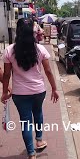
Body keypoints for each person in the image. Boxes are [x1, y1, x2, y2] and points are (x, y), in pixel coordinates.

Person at [1, 18, 59, 159]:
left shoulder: (9, 50)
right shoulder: (40, 49)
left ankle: (31, 153)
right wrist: (54, 88)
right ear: (32, 31)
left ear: (18, 31)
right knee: (38, 113)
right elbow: (48, 71)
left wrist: (4, 92)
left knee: (26, 122)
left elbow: (7, 74)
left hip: (19, 94)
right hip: (38, 91)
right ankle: (39, 140)